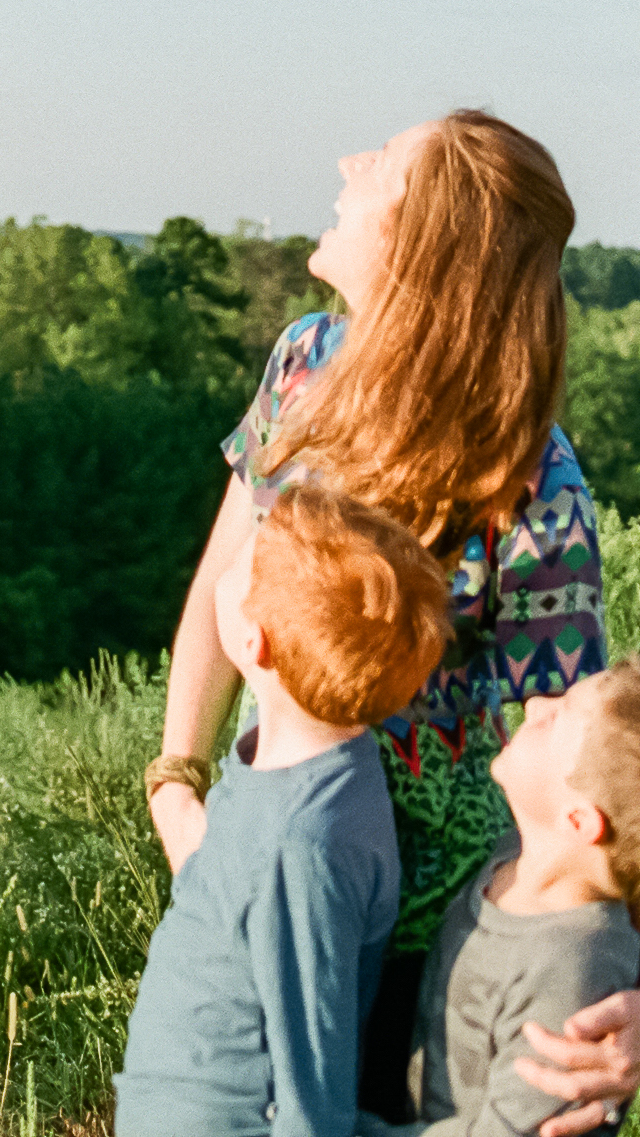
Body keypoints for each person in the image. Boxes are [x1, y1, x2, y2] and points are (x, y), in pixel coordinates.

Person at [146, 114, 640, 1134]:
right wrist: (176, 784)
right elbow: (218, 581)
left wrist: (617, 978)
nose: (346, 163)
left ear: (425, 239)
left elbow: (592, 773)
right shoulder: (300, 360)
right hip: (271, 870)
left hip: (432, 963)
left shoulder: (532, 485)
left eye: (382, 162)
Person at [114, 484, 455, 1137]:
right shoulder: (297, 770)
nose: (231, 556)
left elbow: (310, 1079)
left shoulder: (303, 845)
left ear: (252, 642)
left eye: (246, 559)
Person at [368, 659, 640, 1135]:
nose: (534, 703)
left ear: (579, 821)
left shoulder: (572, 976)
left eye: (557, 717)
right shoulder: (508, 858)